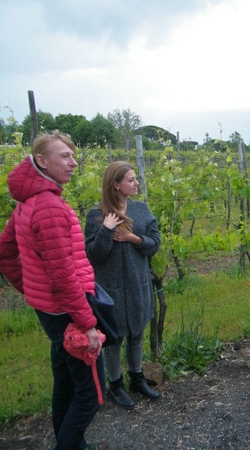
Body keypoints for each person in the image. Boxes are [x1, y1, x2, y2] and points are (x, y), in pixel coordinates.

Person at [0, 131, 106, 450]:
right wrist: (87, 324)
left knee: (66, 384)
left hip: (51, 311)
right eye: (65, 156)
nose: (73, 163)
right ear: (42, 161)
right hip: (69, 314)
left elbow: (5, 252)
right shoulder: (48, 207)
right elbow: (62, 277)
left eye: (74, 156)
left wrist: (34, 290)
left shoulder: (28, 203)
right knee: (90, 395)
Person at [84, 161, 161, 409]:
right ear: (115, 184)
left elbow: (154, 244)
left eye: (135, 178)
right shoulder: (97, 216)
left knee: (137, 334)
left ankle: (137, 378)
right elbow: (94, 256)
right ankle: (115, 385)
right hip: (111, 289)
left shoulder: (141, 211)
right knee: (114, 339)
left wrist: (133, 238)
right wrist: (106, 230)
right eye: (130, 179)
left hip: (138, 285)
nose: (136, 183)